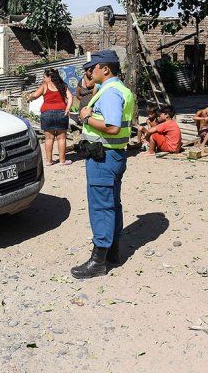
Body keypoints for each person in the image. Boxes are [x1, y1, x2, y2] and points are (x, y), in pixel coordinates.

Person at [71, 50, 135, 279]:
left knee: (101, 206)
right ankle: (112, 252)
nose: (90, 72)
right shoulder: (117, 89)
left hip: (103, 157)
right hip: (113, 155)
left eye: (93, 68)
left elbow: (112, 127)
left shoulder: (110, 93)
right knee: (112, 203)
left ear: (105, 69)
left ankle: (98, 260)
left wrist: (86, 117)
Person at [25, 68, 73, 166]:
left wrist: (29, 97)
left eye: (44, 77)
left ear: (50, 77)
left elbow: (35, 95)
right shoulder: (63, 86)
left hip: (47, 113)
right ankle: (62, 161)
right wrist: (68, 108)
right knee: (61, 138)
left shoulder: (44, 85)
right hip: (61, 112)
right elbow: (70, 97)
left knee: (48, 139)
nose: (43, 79)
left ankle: (49, 161)